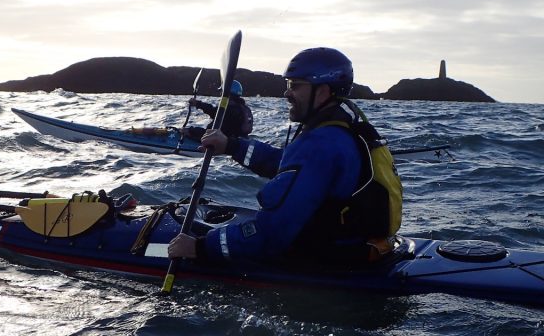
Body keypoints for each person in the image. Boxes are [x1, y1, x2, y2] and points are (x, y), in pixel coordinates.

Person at [168, 48, 403, 267]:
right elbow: (286, 165)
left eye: (295, 85)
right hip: (357, 246)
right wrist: (231, 146)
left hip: (330, 259)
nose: (286, 92)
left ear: (322, 91)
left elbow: (271, 235)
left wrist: (199, 246)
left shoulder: (320, 144)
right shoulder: (341, 128)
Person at [185, 80, 254, 139]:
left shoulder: (229, 110)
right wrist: (198, 104)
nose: (221, 95)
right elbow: (214, 112)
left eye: (222, 92)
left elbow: (212, 134)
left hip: (224, 145)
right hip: (236, 142)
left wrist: (190, 131)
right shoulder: (243, 108)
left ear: (227, 94)